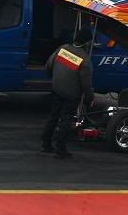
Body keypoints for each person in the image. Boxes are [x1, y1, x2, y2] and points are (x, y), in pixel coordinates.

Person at [40, 27, 95, 159]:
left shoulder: (62, 49)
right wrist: (90, 98)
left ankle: (46, 144)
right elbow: (86, 84)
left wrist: (54, 79)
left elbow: (48, 66)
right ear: (87, 42)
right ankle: (60, 149)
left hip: (57, 89)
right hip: (71, 94)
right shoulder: (84, 59)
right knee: (66, 120)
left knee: (53, 116)